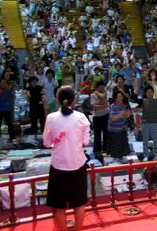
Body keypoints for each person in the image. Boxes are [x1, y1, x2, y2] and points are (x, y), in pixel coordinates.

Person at [43, 86, 90, 231]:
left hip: (58, 165)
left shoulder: (51, 118)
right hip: (77, 163)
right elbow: (86, 142)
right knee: (79, 203)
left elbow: (46, 142)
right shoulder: (81, 117)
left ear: (57, 99)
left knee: (59, 205)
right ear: (74, 100)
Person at [107, 92, 131, 159]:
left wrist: (127, 115)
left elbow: (126, 116)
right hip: (114, 131)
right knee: (116, 152)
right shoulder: (112, 106)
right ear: (115, 98)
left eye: (121, 96)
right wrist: (122, 115)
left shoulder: (124, 106)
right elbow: (112, 118)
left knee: (124, 151)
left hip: (122, 129)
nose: (121, 98)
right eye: (119, 97)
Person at [141, 86, 157, 160]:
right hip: (145, 123)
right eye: (148, 92)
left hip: (155, 123)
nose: (149, 93)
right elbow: (134, 99)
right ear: (145, 93)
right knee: (145, 140)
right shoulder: (143, 101)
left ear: (153, 93)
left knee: (155, 140)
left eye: (151, 92)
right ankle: (145, 155)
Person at [91, 81, 109, 156]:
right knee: (97, 135)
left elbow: (103, 97)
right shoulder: (92, 95)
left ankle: (106, 149)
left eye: (102, 86)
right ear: (97, 87)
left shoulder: (105, 93)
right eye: (100, 87)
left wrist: (101, 105)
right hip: (97, 117)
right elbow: (94, 106)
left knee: (106, 134)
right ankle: (97, 151)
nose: (101, 88)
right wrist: (104, 105)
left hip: (106, 115)